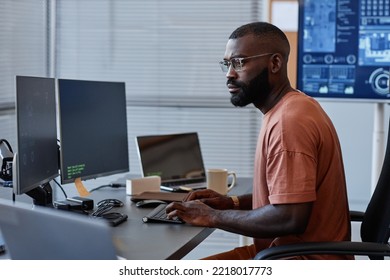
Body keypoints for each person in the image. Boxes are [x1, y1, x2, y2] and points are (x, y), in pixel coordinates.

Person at [166, 22, 352, 260]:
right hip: (278, 251)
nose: (229, 73)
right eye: (227, 63)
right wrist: (230, 203)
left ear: (274, 63)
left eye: (239, 62)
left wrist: (211, 216)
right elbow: (286, 196)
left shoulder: (289, 122)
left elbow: (289, 216)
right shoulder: (289, 108)